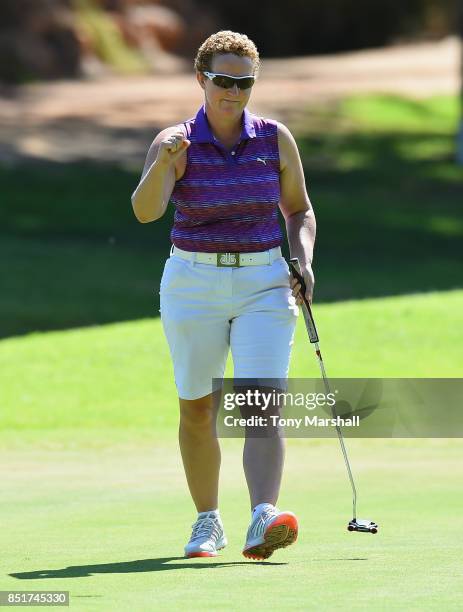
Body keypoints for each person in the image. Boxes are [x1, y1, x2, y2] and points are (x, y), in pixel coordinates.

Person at [131, 30, 316, 560]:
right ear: (201, 79)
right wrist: (166, 162)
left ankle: (263, 517)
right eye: (222, 80)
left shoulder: (274, 138)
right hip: (193, 282)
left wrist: (302, 259)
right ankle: (207, 522)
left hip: (263, 280)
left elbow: (299, 210)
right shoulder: (175, 141)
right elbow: (146, 211)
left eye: (244, 82)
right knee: (197, 409)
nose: (233, 91)